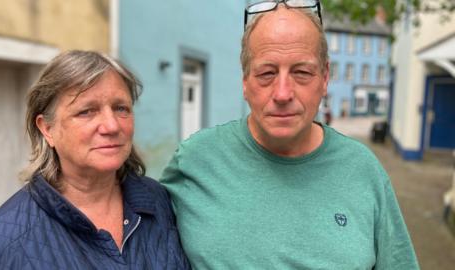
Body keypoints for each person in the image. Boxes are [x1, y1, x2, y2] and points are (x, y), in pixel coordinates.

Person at [161, 2, 419, 269]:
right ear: (245, 81)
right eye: (267, 73)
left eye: (302, 72)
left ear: (325, 78)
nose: (283, 93)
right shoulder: (195, 162)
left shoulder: (363, 171)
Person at [0, 50, 190, 269]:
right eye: (87, 111)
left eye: (120, 108)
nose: (112, 126)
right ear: (47, 129)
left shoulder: (159, 203)